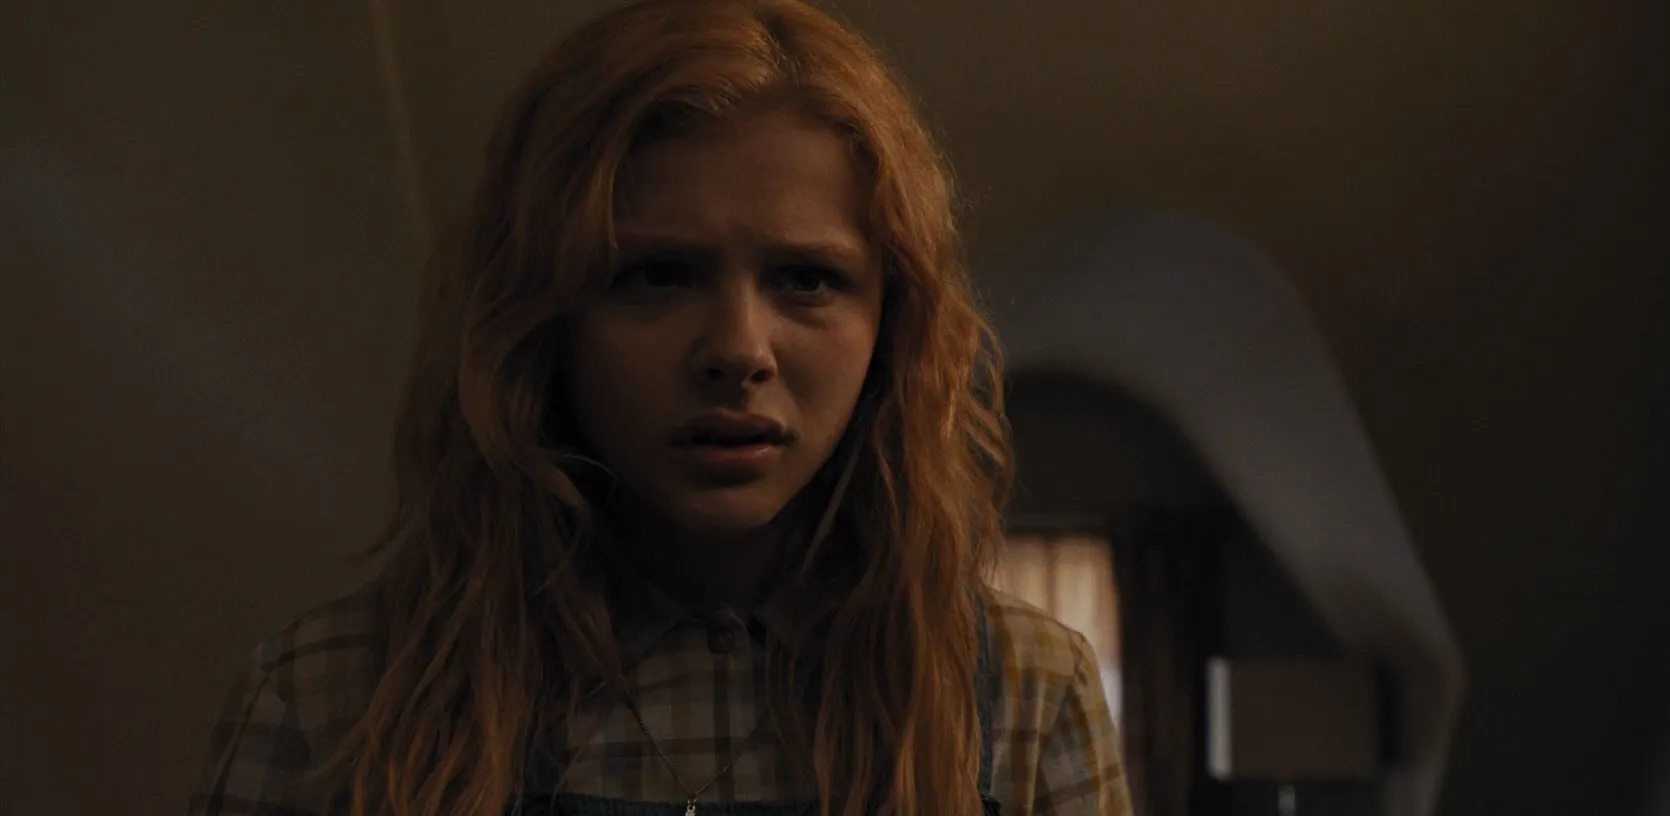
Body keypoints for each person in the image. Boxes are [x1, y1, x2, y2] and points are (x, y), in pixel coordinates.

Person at [188, 1, 1130, 814]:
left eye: (806, 278)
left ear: (892, 322)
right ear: (543, 315)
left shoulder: (1022, 698)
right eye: (657, 275)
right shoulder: (332, 701)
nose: (738, 350)